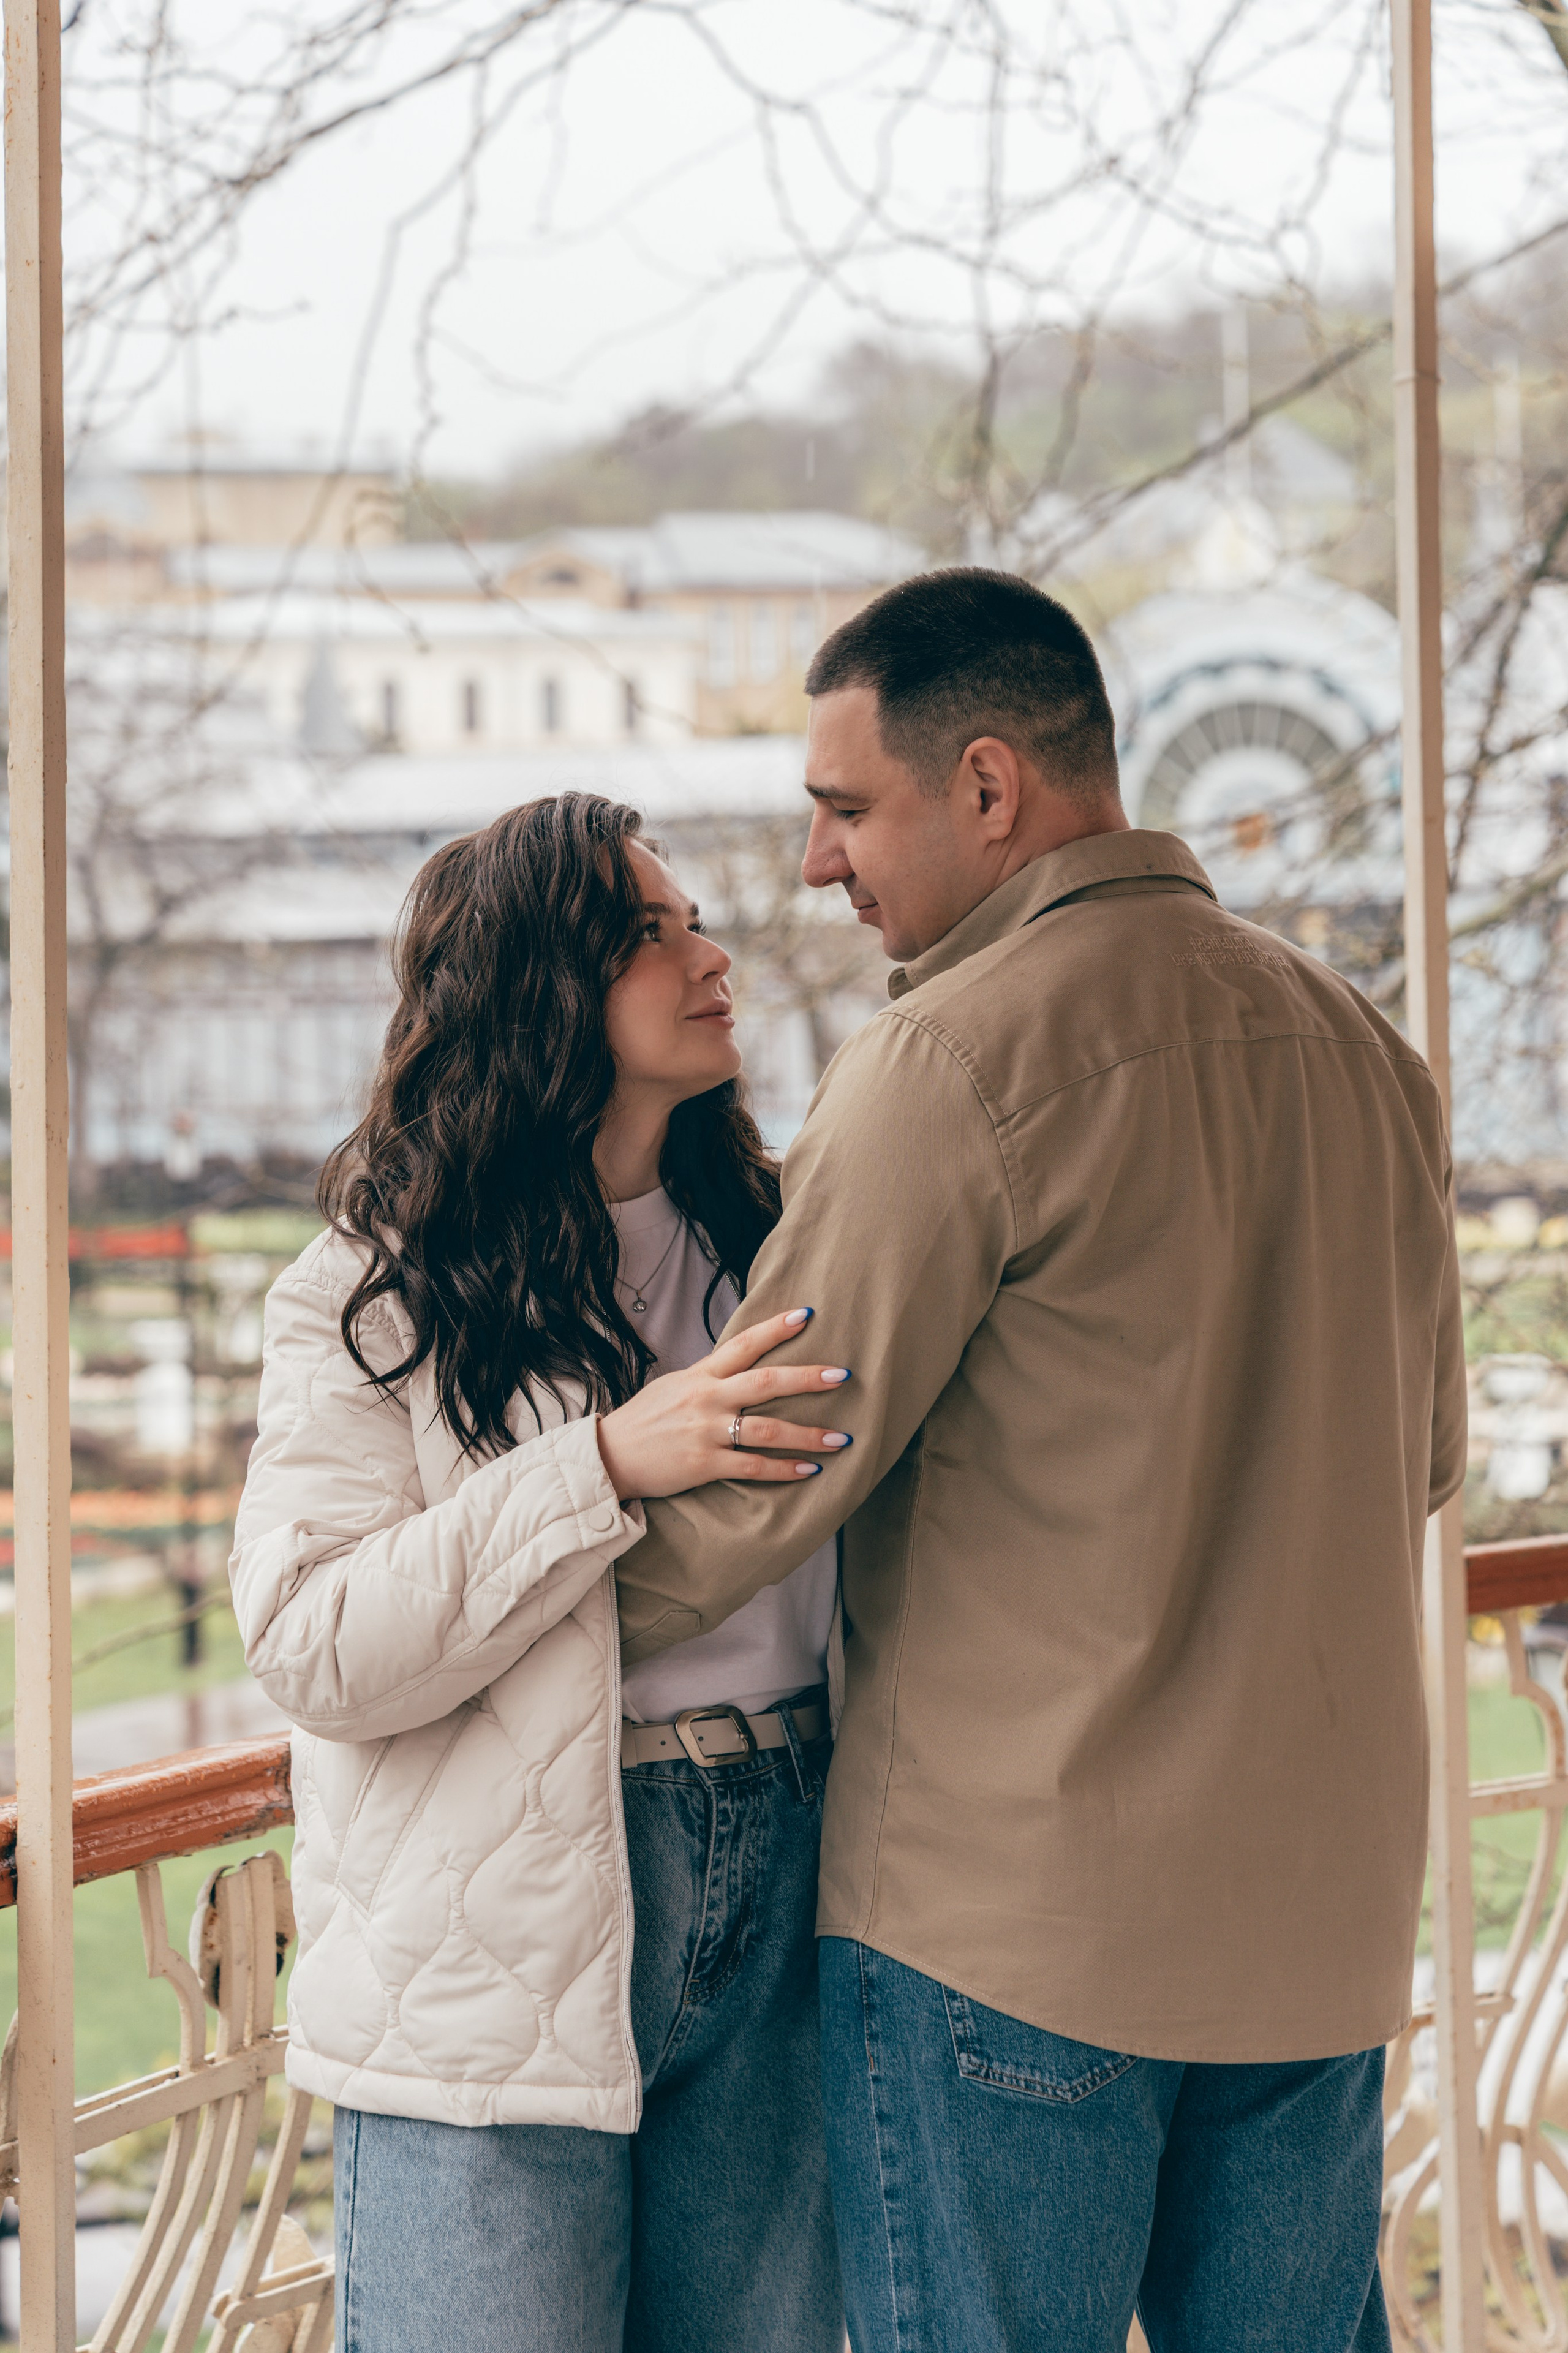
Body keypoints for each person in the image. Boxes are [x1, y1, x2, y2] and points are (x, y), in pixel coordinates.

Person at [613, 568, 1468, 2352]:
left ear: (989, 786)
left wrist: (485, 1601)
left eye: (845, 810)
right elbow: (1431, 1451)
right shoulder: (1366, 1049)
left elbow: (765, 1470)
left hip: (1012, 1932)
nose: (816, 867)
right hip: (1319, 1921)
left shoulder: (947, 1061)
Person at [229, 793, 851, 2353]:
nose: (707, 953)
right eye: (646, 932)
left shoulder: (780, 1247)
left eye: (691, 916)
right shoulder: (370, 1296)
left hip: (789, 1864)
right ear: (537, 988)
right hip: (489, 1926)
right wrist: (601, 1466)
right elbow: (311, 1640)